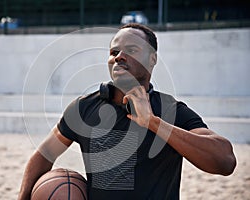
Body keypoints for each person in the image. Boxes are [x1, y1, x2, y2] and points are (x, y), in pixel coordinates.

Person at [18, 23, 236, 200]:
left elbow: (225, 161)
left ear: (152, 59)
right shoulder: (84, 108)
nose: (119, 56)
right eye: (114, 52)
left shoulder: (171, 111)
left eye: (131, 50)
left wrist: (154, 123)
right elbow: (44, 155)